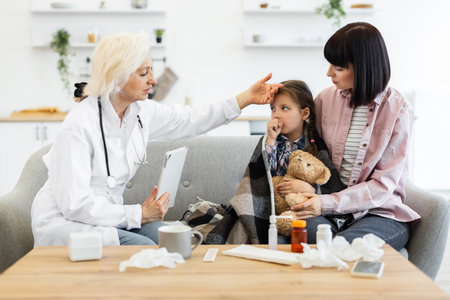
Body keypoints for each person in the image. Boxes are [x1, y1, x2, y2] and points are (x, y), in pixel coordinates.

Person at [31, 32, 282, 247]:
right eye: (143, 73)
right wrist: (138, 214)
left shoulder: (140, 112)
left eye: (151, 70)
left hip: (110, 219)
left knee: (173, 240)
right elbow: (75, 205)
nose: (153, 79)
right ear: (117, 78)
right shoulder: (78, 126)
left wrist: (245, 98)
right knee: (145, 247)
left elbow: (190, 120)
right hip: (69, 224)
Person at [291, 22, 420, 250]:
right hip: (326, 209)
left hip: (378, 213)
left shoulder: (398, 110)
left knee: (342, 247)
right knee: (304, 231)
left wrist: (327, 203)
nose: (329, 72)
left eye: (338, 67)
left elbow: (383, 185)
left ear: (364, 67)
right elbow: (309, 151)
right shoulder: (324, 99)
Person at [264, 80, 340, 244]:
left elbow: (329, 182)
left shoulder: (316, 144)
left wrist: (310, 188)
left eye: (284, 108)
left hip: (305, 209)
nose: (276, 114)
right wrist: (270, 141)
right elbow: (263, 177)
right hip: (276, 210)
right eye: (273, 108)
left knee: (309, 230)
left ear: (304, 114)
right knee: (272, 238)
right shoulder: (271, 141)